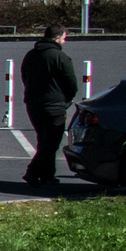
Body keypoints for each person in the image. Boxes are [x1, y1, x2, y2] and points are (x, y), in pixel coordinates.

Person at [19, 21, 81, 189]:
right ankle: (32, 172)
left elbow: (24, 76)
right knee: (52, 142)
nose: (64, 42)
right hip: (54, 105)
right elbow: (71, 83)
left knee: (44, 140)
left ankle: (47, 175)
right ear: (56, 38)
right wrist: (67, 99)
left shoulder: (30, 55)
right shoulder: (60, 57)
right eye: (64, 38)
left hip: (33, 104)